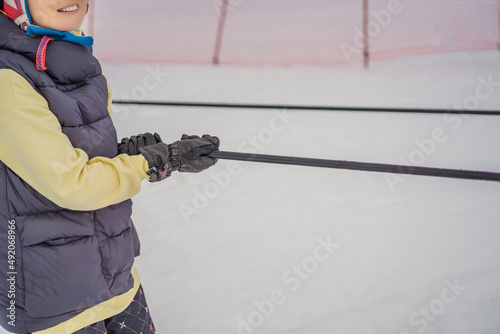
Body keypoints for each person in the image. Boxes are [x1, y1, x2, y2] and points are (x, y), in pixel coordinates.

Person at [0, 1, 220, 333]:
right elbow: (70, 183)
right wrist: (152, 162)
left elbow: (67, 156)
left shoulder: (77, 61)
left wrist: (130, 154)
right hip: (54, 306)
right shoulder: (8, 80)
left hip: (115, 280)